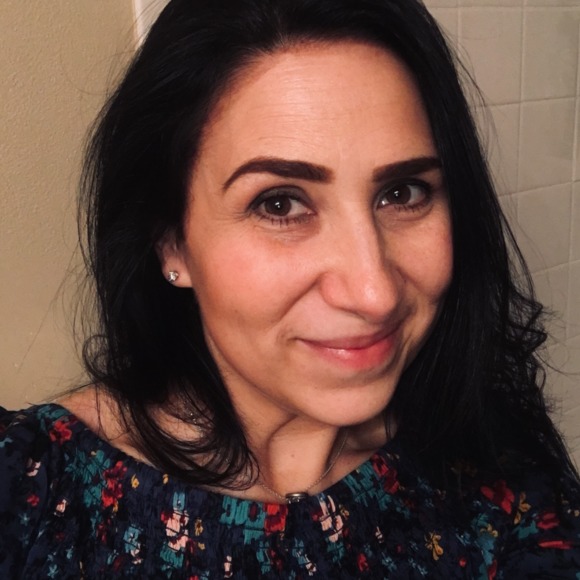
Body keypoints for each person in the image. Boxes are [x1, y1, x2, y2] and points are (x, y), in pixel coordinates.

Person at [1, 0, 579, 577]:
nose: (374, 292)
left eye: (403, 192)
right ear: (171, 242)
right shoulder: (29, 491)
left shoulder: (501, 472)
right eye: (280, 204)